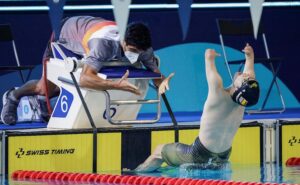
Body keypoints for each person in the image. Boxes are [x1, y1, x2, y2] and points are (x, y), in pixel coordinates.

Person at [1, 16, 174, 125]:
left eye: (139, 52)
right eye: (132, 50)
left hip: (87, 29)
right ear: (123, 41)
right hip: (65, 35)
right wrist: (115, 85)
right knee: (45, 88)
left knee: (89, 79)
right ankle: (13, 96)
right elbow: (84, 79)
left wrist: (162, 81)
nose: (135, 55)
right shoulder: (103, 44)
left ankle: (43, 107)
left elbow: (155, 72)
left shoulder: (144, 48)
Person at [134, 43, 260, 172]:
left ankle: (135, 175)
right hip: (223, 156)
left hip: (200, 153)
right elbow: (250, 77)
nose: (245, 76)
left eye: (244, 79)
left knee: (159, 151)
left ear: (238, 88)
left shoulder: (218, 94)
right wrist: (250, 57)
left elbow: (210, 69)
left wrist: (209, 57)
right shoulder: (243, 101)